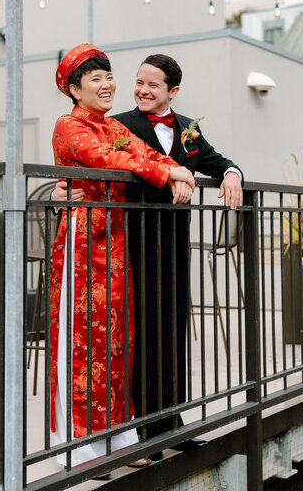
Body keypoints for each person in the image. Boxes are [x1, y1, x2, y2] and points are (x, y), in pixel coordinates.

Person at [52, 53, 243, 459]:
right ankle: (86, 448)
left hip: (133, 247)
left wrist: (208, 171)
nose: (135, 89)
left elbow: (151, 154)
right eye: (136, 81)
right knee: (89, 344)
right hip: (102, 244)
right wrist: (171, 172)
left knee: (126, 342)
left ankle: (144, 431)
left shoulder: (117, 126)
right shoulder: (77, 124)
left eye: (111, 77)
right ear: (74, 88)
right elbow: (114, 159)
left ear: (172, 92)